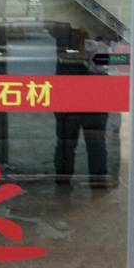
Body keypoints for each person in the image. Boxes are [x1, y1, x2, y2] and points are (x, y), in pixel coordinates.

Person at [54, 32, 110, 187]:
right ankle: (97, 181)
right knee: (95, 143)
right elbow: (101, 71)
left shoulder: (60, 49)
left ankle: (63, 179)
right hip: (92, 104)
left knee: (66, 143)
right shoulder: (99, 48)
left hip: (69, 104)